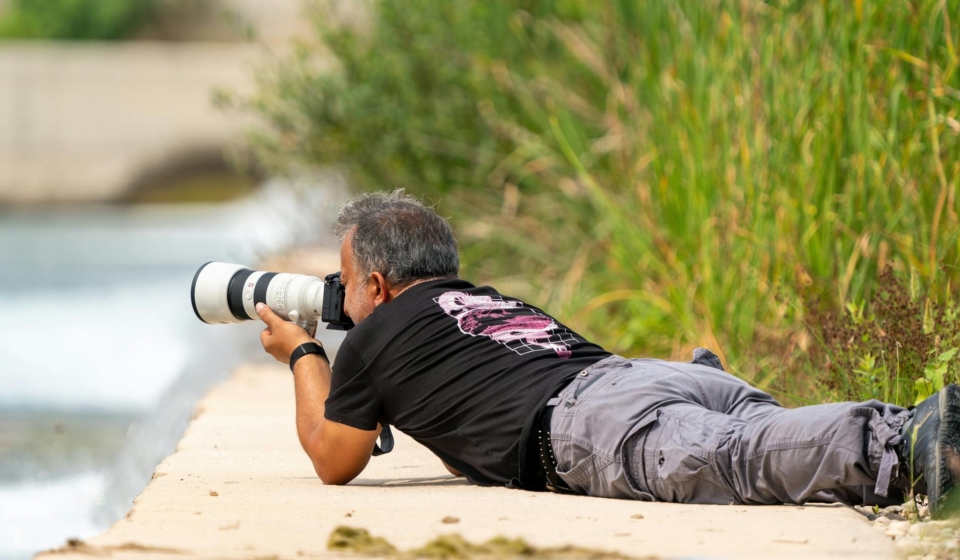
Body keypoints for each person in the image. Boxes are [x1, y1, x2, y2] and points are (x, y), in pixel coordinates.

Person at [255, 189, 960, 518]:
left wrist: (304, 352)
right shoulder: (481, 300)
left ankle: (911, 435)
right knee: (748, 434)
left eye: (345, 284)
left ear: (376, 285)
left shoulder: (376, 335)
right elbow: (462, 428)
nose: (340, 299)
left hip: (590, 419)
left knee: (741, 459)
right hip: (638, 376)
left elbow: (333, 458)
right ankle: (718, 390)